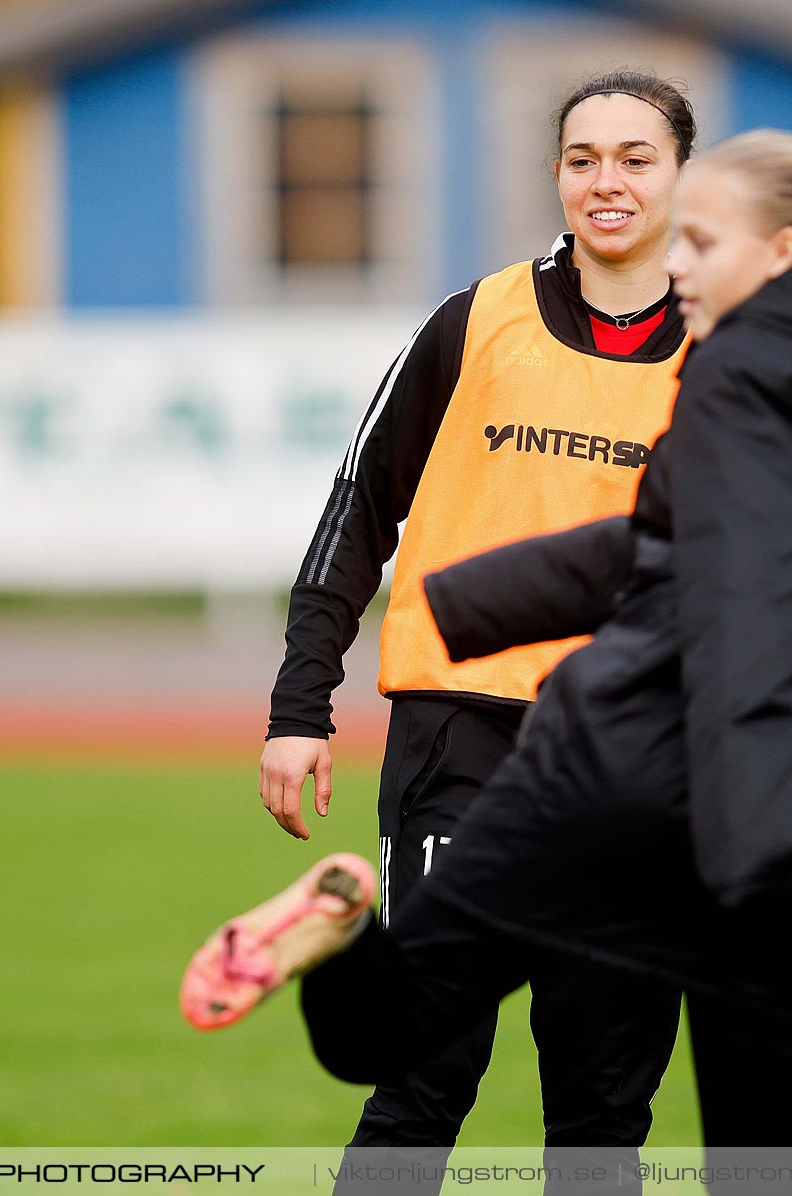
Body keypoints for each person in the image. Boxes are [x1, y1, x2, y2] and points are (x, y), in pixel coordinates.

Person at [190, 129, 792, 1192]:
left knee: (531, 1084)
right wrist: (472, 605)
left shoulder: (746, 374)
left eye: (696, 232)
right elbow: (678, 545)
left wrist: (741, 862)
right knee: (461, 1078)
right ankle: (343, 936)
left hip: (680, 806)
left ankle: (339, 939)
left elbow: (749, 635)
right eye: (582, 157)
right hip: (761, 827)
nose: (675, 259)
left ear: (782, 253)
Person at [254, 69, 696, 1173]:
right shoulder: (474, 322)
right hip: (466, 739)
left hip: (639, 762)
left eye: (637, 158)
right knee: (423, 1075)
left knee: (601, 1113)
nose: (608, 181)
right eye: (583, 157)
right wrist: (300, 701)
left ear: (683, 176)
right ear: (555, 174)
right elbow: (357, 510)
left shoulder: (730, 355)